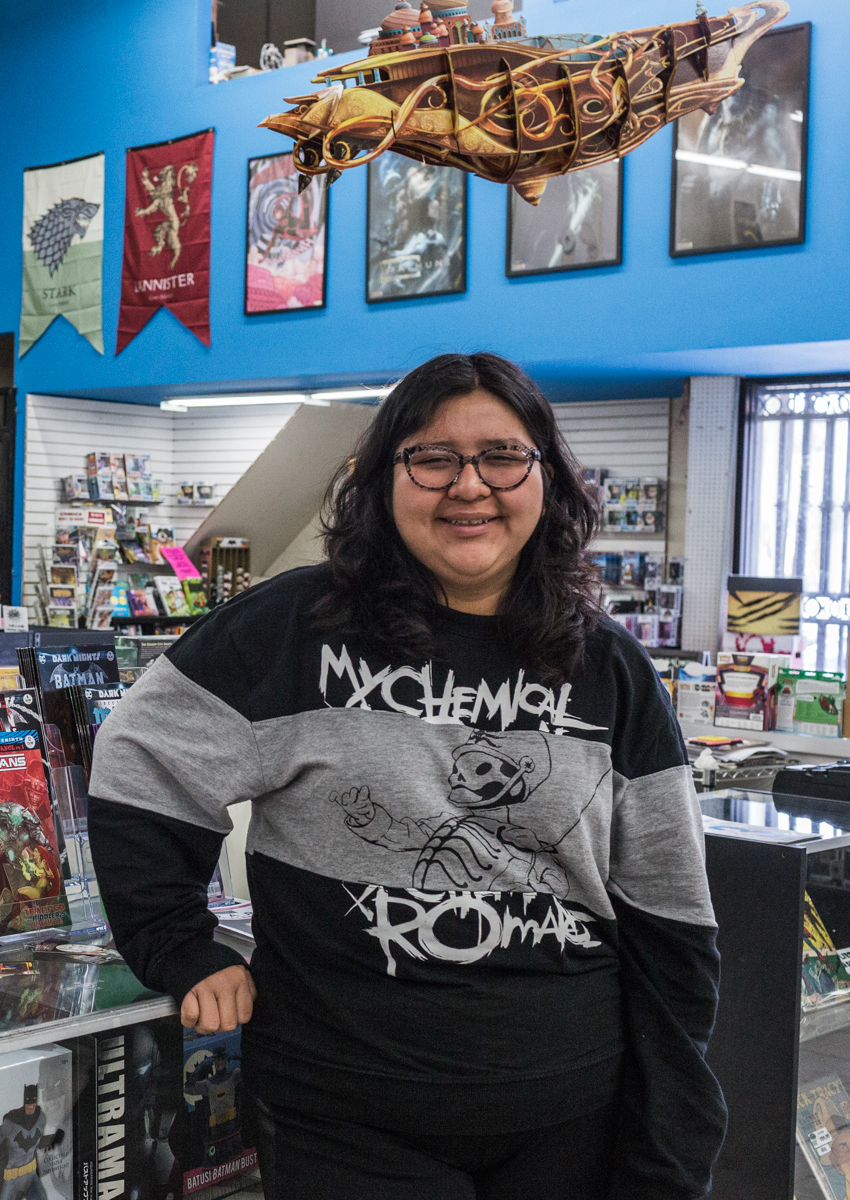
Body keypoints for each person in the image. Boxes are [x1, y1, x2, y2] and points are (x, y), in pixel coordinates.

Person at [88, 353, 723, 1200]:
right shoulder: (292, 630)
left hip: (570, 1117)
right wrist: (178, 944)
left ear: (546, 479)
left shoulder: (609, 669)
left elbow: (670, 913)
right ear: (384, 478)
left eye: (502, 456)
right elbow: (142, 758)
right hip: (343, 1120)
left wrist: (672, 1141)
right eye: (432, 458)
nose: (469, 486)